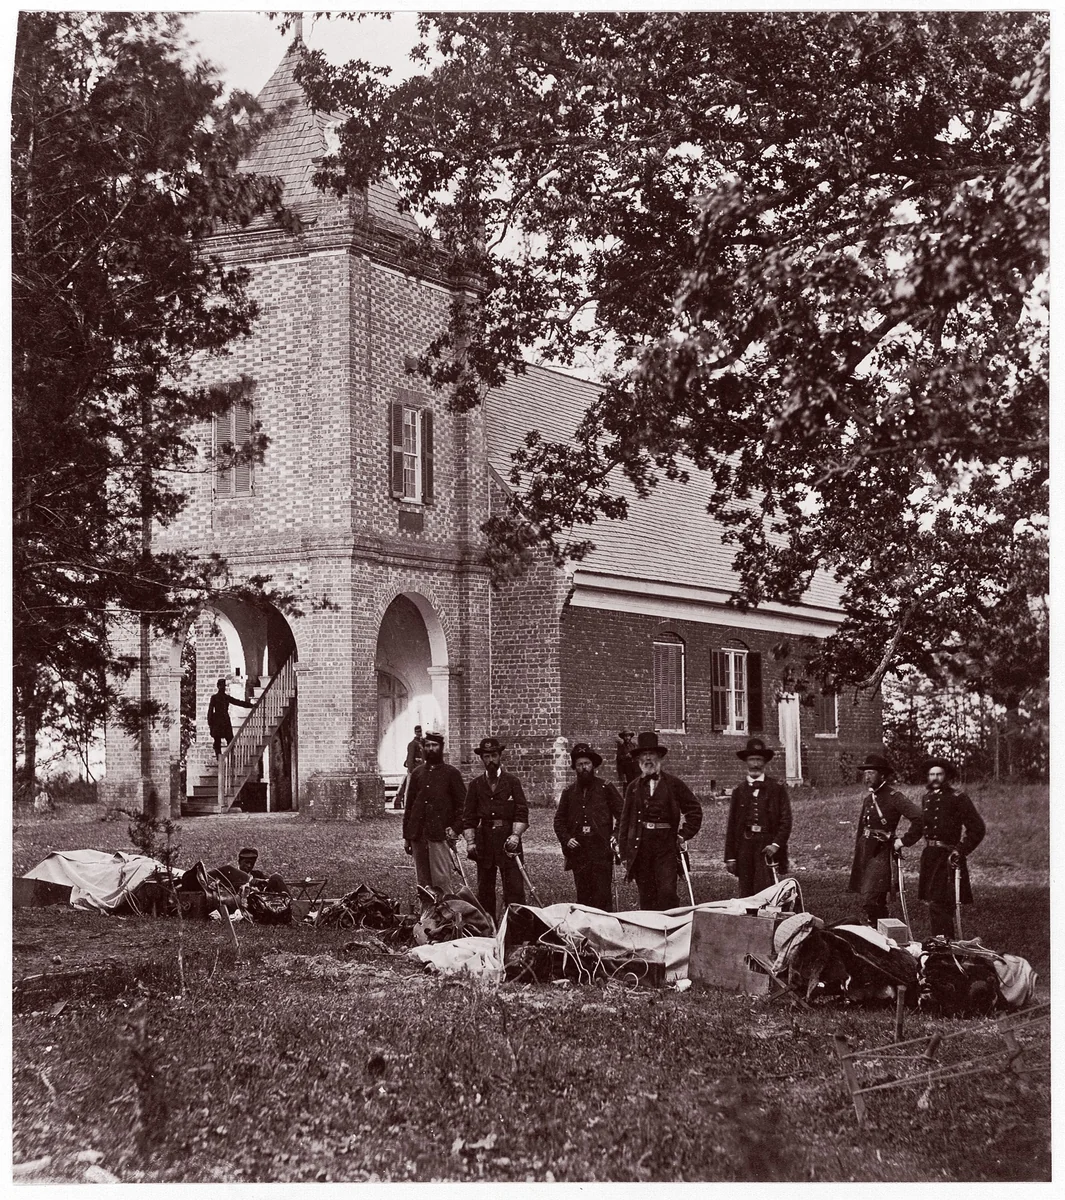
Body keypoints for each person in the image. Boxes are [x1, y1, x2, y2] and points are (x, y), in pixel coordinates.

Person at [618, 731, 702, 910]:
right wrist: (624, 853)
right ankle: (650, 934)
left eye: (652, 754)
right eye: (644, 755)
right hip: (641, 847)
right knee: (646, 894)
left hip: (666, 846)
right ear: (638, 759)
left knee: (667, 892)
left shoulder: (674, 784)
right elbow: (625, 821)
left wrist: (683, 835)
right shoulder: (633, 787)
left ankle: (670, 931)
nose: (648, 759)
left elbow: (694, 810)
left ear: (659, 757)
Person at [847, 752, 924, 926]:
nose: (867, 777)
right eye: (865, 773)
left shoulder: (894, 797)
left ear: (882, 775)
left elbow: (920, 818)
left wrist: (903, 841)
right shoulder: (869, 799)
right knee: (873, 899)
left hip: (881, 853)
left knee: (871, 897)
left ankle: (882, 930)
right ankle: (882, 932)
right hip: (866, 852)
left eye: (871, 773)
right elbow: (862, 829)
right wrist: (859, 854)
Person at [917, 757, 986, 939]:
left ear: (946, 776)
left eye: (939, 774)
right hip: (930, 856)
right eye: (932, 774)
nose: (935, 778)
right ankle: (941, 945)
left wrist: (960, 850)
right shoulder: (927, 798)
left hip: (947, 857)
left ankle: (946, 947)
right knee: (933, 903)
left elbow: (977, 828)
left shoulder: (958, 798)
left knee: (941, 904)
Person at [462, 737, 529, 918]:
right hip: (485, 842)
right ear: (481, 759)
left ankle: (517, 933)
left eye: (493, 756)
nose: (490, 760)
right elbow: (468, 816)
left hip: (508, 842)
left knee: (514, 889)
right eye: (486, 756)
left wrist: (515, 835)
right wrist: (470, 842)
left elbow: (521, 811)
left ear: (500, 756)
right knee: (484, 889)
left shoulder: (512, 782)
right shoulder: (475, 785)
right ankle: (488, 931)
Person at [554, 742, 624, 911]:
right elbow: (559, 821)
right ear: (574, 767)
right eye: (579, 765)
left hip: (601, 849)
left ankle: (603, 933)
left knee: (602, 897)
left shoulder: (606, 788)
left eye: (587, 764)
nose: (583, 768)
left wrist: (615, 835)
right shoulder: (569, 792)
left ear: (593, 765)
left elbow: (623, 815)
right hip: (579, 851)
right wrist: (566, 839)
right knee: (583, 897)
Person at [724, 736, 792, 897]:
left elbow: (786, 820)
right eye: (752, 759)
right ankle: (748, 920)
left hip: (766, 844)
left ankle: (766, 920)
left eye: (759, 760)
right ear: (746, 762)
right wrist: (730, 856)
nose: (755, 764)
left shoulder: (776, 789)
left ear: (765, 762)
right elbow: (732, 825)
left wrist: (776, 844)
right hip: (745, 845)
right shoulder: (739, 791)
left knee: (766, 889)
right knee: (746, 889)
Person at [402, 731, 466, 894]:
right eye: (428, 745)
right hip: (418, 835)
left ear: (441, 747)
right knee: (423, 885)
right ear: (423, 748)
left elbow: (464, 807)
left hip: (439, 834)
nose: (431, 749)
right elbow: (409, 807)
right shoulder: (417, 773)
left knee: (442, 883)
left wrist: (455, 828)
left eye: (435, 745)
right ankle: (427, 918)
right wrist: (407, 837)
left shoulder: (451, 774)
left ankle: (447, 917)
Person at [206, 677, 254, 756]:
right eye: (221, 686)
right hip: (217, 721)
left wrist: (251, 705)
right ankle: (219, 757)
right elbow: (210, 711)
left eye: (224, 686)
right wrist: (210, 723)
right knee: (217, 740)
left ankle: (231, 756)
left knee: (230, 739)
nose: (223, 688)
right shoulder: (214, 698)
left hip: (225, 720)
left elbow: (238, 702)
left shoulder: (226, 697)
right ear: (218, 686)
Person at [393, 725, 424, 810]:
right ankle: (407, 806)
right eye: (417, 732)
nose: (419, 733)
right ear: (415, 732)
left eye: (420, 731)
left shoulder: (423, 743)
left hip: (422, 769)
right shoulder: (412, 744)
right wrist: (411, 770)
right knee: (410, 788)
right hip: (414, 770)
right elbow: (410, 758)